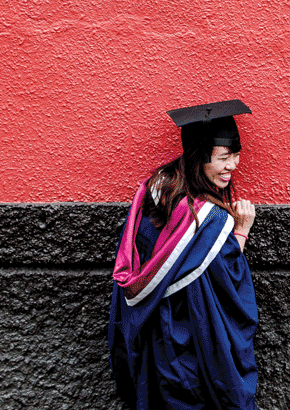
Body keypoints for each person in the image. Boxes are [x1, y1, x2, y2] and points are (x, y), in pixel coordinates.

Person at [109, 100, 259, 410]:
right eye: (224, 157)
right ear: (199, 156)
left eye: (236, 155)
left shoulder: (154, 191)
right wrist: (241, 231)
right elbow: (227, 286)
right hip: (192, 341)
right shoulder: (209, 221)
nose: (233, 165)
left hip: (153, 335)